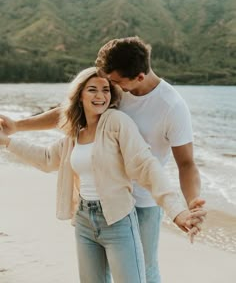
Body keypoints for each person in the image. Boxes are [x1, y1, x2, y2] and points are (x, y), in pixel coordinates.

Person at [0, 37, 206, 283]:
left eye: (112, 84)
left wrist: (188, 203)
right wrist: (16, 128)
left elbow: (181, 164)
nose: (107, 89)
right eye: (104, 84)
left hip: (142, 201)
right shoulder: (108, 94)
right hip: (95, 204)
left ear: (138, 77)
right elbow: (71, 112)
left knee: (145, 272)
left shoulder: (170, 106)